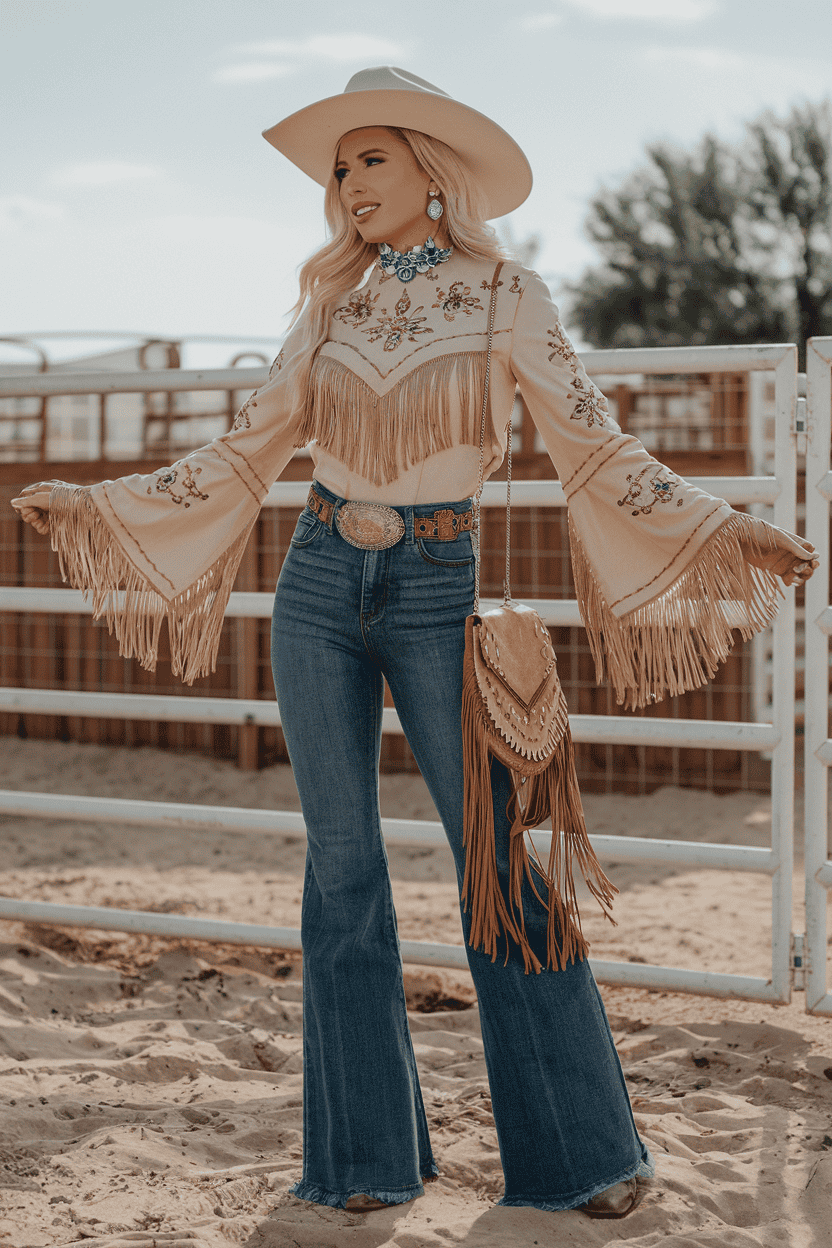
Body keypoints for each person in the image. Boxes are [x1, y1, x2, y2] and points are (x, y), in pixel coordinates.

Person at [12, 67, 818, 1219]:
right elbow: (248, 448)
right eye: (338, 168)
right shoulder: (329, 307)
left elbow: (593, 446)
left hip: (442, 587)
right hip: (317, 580)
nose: (347, 185)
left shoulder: (509, 294)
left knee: (498, 867)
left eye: (368, 159)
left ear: (433, 173)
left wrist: (721, 528)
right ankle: (362, 1166)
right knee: (342, 875)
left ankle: (585, 1158)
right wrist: (105, 505)